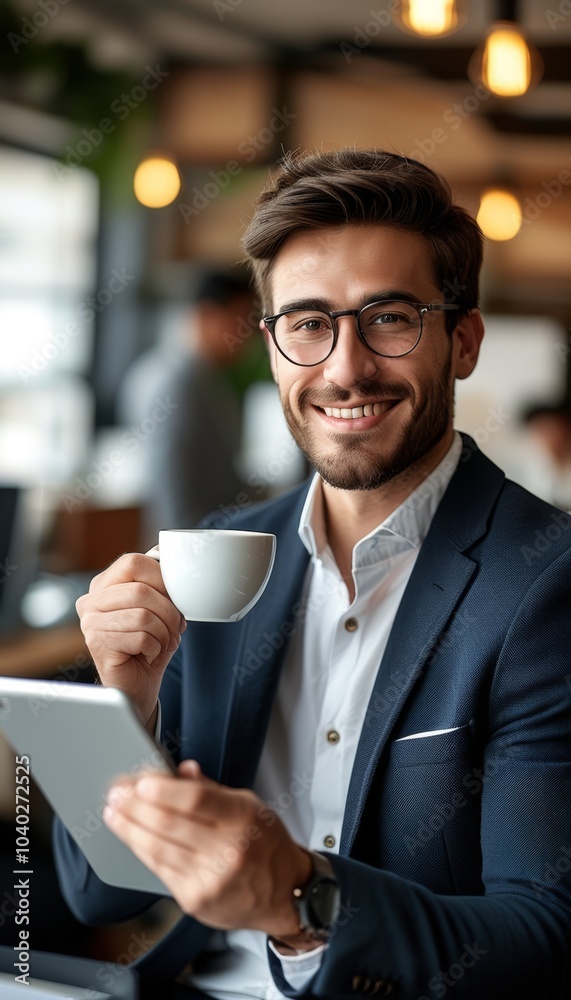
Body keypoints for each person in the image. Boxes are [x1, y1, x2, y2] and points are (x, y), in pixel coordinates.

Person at [54, 149, 571, 1000]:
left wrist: (303, 899)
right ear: (271, 345)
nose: (343, 368)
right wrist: (124, 704)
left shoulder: (544, 581)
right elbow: (98, 889)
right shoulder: (211, 556)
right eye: (307, 323)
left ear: (463, 339)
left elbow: (543, 936)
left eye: (389, 318)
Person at [117, 270, 265, 546]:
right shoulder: (176, 383)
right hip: (190, 559)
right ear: (209, 315)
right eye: (243, 320)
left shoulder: (201, 376)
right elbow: (172, 495)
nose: (250, 335)